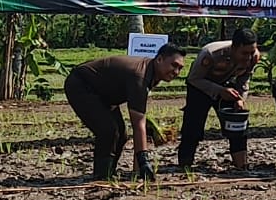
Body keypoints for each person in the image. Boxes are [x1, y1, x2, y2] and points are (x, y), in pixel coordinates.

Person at [63, 44, 185, 181]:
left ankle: (109, 172)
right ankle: (102, 177)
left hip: (103, 94)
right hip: (81, 85)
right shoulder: (140, 76)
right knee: (109, 130)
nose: (176, 72)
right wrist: (143, 161)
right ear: (160, 59)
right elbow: (138, 123)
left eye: (180, 68)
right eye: (174, 65)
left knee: (121, 134)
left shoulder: (151, 73)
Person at [178, 28, 261, 171]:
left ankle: (241, 165)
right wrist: (219, 91)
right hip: (201, 86)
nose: (248, 57)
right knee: (193, 125)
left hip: (227, 85)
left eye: (251, 52)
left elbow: (244, 78)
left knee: (238, 121)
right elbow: (194, 79)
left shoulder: (254, 57)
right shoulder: (211, 54)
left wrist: (240, 98)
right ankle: (185, 164)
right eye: (244, 53)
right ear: (234, 48)